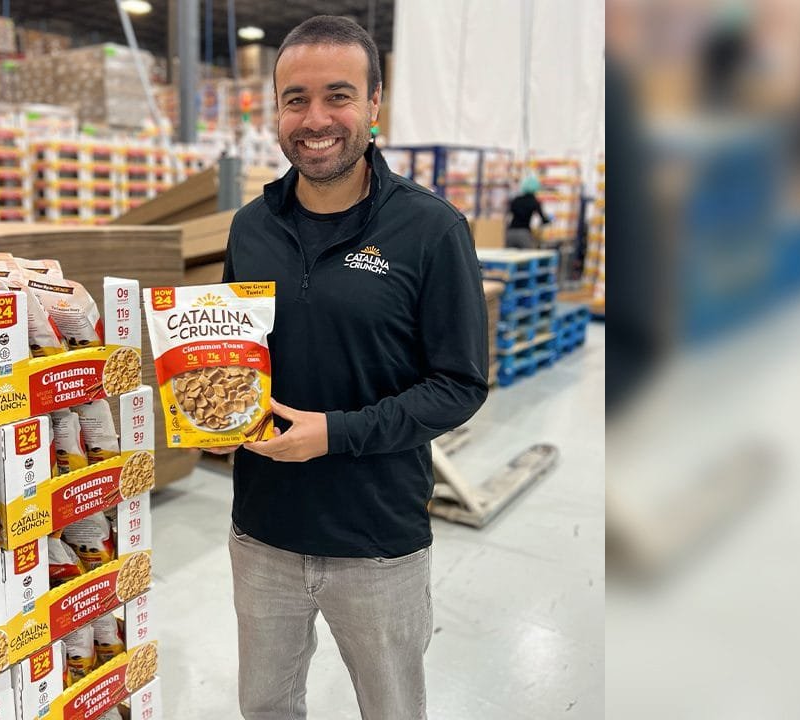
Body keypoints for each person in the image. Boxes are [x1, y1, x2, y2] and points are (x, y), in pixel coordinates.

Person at [216, 15, 489, 720]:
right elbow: (228, 355)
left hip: (377, 541)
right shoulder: (250, 228)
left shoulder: (431, 230)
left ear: (374, 104)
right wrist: (210, 416)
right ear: (276, 110)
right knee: (265, 707)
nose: (314, 120)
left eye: (337, 96)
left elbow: (460, 385)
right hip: (263, 530)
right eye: (295, 99)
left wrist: (335, 434)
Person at [506, 174, 550, 249]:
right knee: (529, 254)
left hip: (510, 232)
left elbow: (509, 214)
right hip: (524, 233)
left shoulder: (516, 200)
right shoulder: (534, 202)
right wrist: (548, 220)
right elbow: (543, 219)